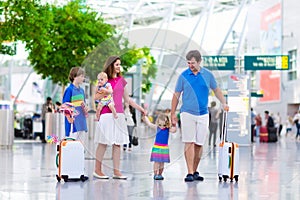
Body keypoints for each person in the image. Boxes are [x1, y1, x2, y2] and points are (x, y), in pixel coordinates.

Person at [170, 50, 229, 182]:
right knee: (189, 142)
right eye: (188, 63)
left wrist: (224, 102)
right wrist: (172, 113)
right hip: (187, 113)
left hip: (203, 114)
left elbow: (217, 90)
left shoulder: (208, 75)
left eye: (193, 63)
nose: (190, 65)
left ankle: (195, 170)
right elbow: (176, 94)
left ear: (199, 61)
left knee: (199, 144)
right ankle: (189, 172)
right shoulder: (183, 76)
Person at [93, 56, 146, 180]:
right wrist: (105, 92)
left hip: (119, 115)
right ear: (111, 65)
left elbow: (127, 99)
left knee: (118, 143)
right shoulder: (103, 80)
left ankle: (117, 171)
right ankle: (97, 170)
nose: (119, 67)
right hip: (106, 114)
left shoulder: (121, 80)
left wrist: (140, 108)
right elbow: (96, 97)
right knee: (103, 143)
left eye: (119, 64)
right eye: (117, 64)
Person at [143, 113, 176, 180]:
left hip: (164, 148)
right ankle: (155, 174)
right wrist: (145, 118)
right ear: (158, 123)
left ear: (167, 124)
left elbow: (174, 130)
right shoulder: (157, 127)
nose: (162, 126)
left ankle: (160, 174)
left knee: (162, 163)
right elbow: (149, 124)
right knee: (156, 162)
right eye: (160, 124)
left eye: (164, 125)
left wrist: (174, 124)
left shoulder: (167, 129)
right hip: (157, 147)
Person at [62, 67, 88, 139]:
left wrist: (86, 108)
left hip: (82, 122)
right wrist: (69, 118)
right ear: (74, 77)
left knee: (80, 144)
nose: (83, 78)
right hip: (72, 124)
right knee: (72, 144)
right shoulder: (69, 90)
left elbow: (84, 104)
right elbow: (65, 106)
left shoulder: (82, 91)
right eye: (81, 76)